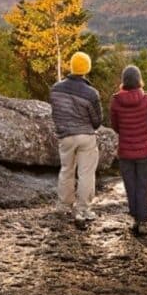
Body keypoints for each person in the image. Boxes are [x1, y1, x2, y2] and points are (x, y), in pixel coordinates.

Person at [49, 51, 102, 223]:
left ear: (71, 66)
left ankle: (64, 206)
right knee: (86, 173)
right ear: (87, 68)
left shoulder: (55, 89)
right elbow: (96, 121)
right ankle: (84, 210)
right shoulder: (91, 93)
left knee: (66, 170)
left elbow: (55, 113)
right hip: (86, 135)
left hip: (65, 136)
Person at [109, 65, 147, 236]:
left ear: (124, 81)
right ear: (139, 79)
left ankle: (136, 219)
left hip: (125, 152)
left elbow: (115, 126)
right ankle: (143, 221)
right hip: (144, 149)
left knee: (131, 186)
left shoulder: (116, 101)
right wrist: (145, 133)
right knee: (143, 186)